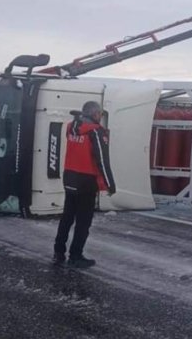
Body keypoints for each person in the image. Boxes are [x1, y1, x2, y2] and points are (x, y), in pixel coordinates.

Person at [53, 101, 116, 268]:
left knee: (67, 217)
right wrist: (110, 184)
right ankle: (76, 255)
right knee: (83, 221)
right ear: (95, 114)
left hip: (69, 177)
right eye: (100, 114)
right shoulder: (95, 132)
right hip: (86, 181)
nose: (101, 117)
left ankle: (58, 252)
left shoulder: (70, 127)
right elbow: (102, 159)